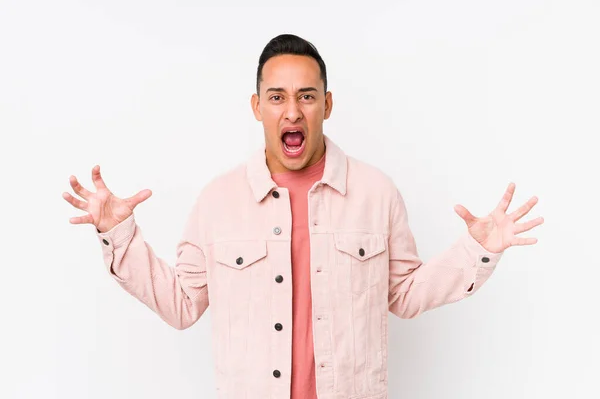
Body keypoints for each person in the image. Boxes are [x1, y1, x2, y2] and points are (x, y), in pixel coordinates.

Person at [62, 34, 544, 399]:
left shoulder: (375, 192)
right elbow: (182, 303)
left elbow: (406, 294)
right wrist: (117, 233)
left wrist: (477, 251)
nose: (292, 111)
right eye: (276, 97)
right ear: (257, 107)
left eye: (307, 96)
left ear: (327, 104)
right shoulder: (217, 201)